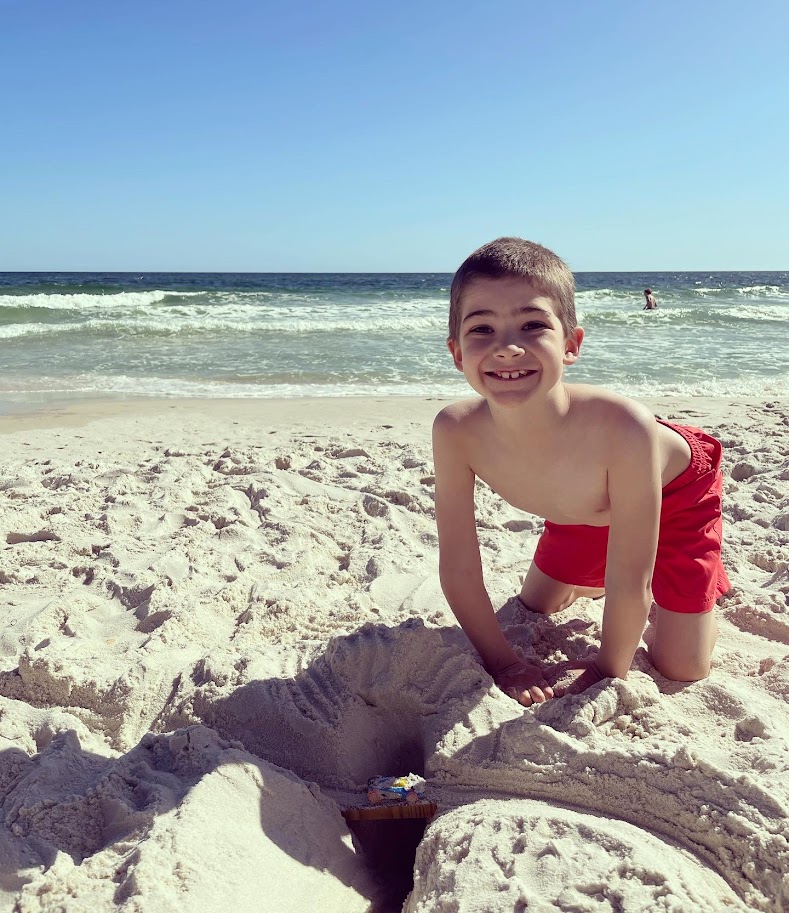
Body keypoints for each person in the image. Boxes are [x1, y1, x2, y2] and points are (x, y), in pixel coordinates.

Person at [433, 238, 730, 707]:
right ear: (457, 353)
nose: (507, 348)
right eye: (482, 329)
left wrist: (605, 669)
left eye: (532, 325)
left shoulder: (624, 426)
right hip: (582, 507)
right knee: (537, 605)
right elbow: (460, 568)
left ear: (571, 344)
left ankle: (709, 580)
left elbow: (631, 579)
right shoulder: (455, 431)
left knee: (683, 665)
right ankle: (592, 560)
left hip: (674, 495)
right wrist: (505, 664)